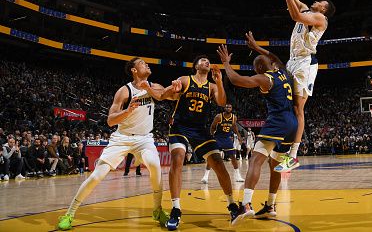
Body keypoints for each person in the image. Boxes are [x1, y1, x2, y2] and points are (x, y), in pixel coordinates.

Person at [57, 58, 169, 230]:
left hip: (144, 139)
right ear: (133, 70)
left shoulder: (155, 86)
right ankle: (69, 214)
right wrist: (127, 110)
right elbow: (110, 121)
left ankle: (157, 209)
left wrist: (148, 88)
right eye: (142, 63)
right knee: (96, 176)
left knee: (155, 166)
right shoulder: (124, 91)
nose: (147, 64)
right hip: (122, 138)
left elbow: (162, 96)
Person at [143, 55, 239, 230]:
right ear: (195, 66)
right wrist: (175, 89)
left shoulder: (211, 86)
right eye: (202, 60)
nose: (206, 62)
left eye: (208, 61)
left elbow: (222, 102)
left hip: (200, 130)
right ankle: (176, 208)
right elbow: (165, 96)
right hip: (180, 126)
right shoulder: (185, 80)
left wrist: (219, 82)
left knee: (218, 162)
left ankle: (232, 205)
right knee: (178, 159)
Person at [260, 0, 335, 172]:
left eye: (322, 2)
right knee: (286, 102)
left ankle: (293, 156)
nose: (317, 1)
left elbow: (295, 16)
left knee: (297, 108)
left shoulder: (320, 19)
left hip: (305, 63)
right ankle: (283, 146)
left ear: (324, 10)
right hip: (292, 61)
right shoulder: (304, 8)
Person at [217, 35, 297, 225]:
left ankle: (245, 204)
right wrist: (257, 47)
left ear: (258, 69)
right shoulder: (283, 72)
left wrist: (226, 64)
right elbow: (274, 56)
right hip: (292, 124)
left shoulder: (265, 78)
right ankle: (270, 205)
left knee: (255, 161)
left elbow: (236, 80)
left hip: (277, 122)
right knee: (276, 165)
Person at [201, 103, 244, 183]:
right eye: (227, 107)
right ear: (224, 108)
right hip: (218, 138)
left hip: (227, 139)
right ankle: (205, 177)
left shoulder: (234, 117)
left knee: (233, 157)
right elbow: (213, 126)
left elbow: (234, 126)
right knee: (212, 157)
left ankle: (238, 176)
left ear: (231, 108)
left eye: (229, 107)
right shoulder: (219, 116)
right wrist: (211, 135)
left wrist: (238, 135)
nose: (228, 108)